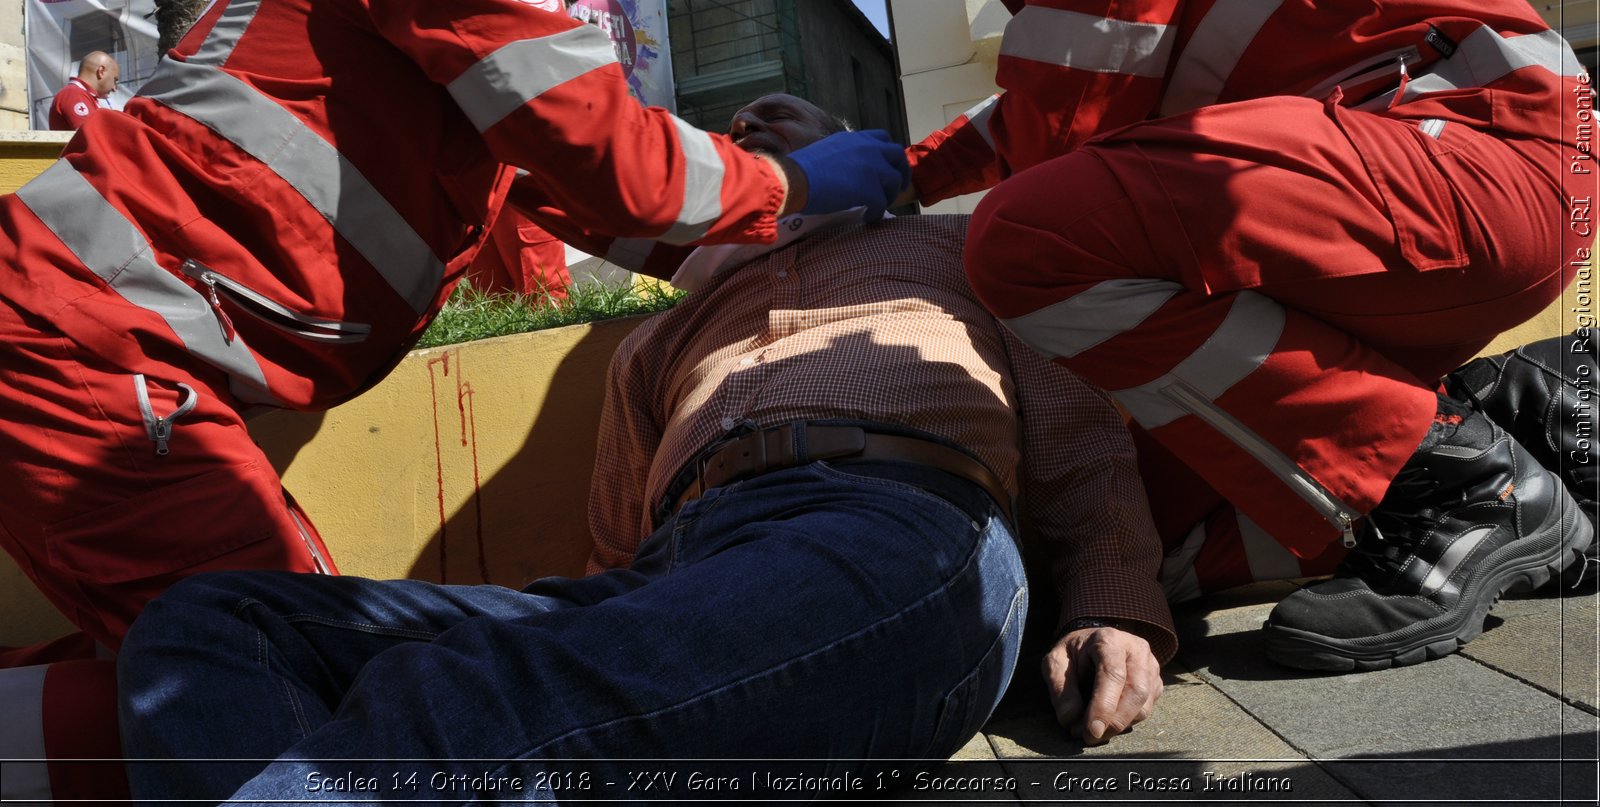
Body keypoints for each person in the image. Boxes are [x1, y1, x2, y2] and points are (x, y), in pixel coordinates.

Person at [0, 0, 908, 657]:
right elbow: (619, 163)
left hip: (108, 354)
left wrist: (810, 212)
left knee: (253, 672)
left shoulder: (459, 61)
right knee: (276, 675)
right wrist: (806, 179)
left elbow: (640, 223)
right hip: (88, 349)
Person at [115, 94, 1173, 800]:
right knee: (216, 620)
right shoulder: (667, 328)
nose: (762, 132)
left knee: (469, 703)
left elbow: (1073, 425)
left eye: (796, 129)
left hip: (898, 534)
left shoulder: (953, 247)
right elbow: (619, 555)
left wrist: (1113, 602)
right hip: (690, 572)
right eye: (745, 140)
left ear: (861, 160)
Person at [868, 0, 1592, 671]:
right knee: (1159, 526)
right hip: (1435, 184)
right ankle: (1528, 430)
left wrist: (827, 187)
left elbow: (1063, 126)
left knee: (1022, 241)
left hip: (1489, 147)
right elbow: (1049, 103)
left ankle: (1459, 477)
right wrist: (888, 172)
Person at [47, 50, 119, 131]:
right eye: (115, 80)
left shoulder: (81, 94)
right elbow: (91, 134)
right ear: (101, 71)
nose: (114, 88)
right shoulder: (74, 93)